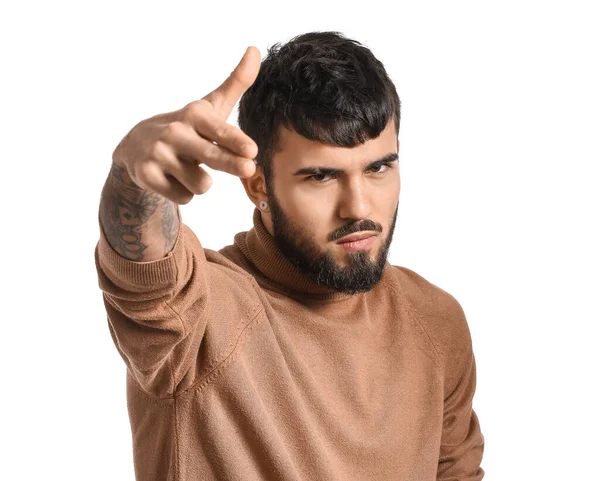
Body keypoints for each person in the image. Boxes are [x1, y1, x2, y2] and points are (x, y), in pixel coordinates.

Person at [95, 31, 485, 481]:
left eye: (378, 167)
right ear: (259, 184)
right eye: (321, 176)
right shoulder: (202, 318)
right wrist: (134, 182)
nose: (358, 206)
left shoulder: (435, 320)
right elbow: (147, 280)